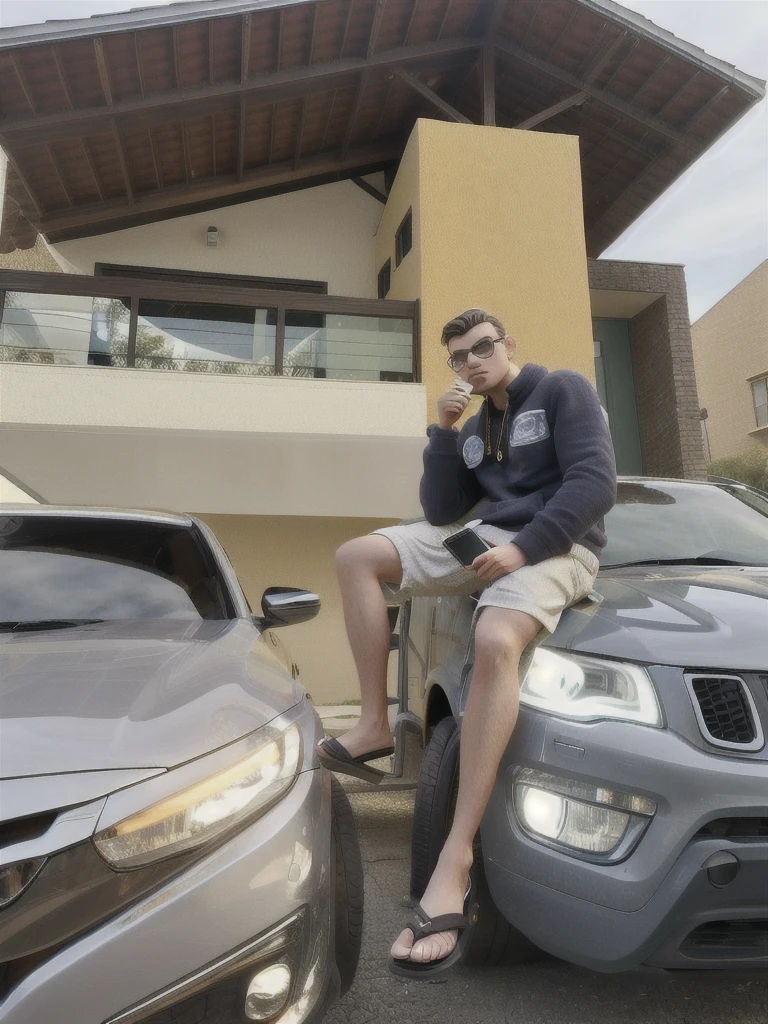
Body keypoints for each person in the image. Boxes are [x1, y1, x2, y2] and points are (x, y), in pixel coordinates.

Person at [318, 308, 617, 977]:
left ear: (509, 344)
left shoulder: (562, 389)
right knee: (356, 556)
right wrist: (443, 434)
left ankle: (455, 860)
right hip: (487, 537)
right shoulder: (477, 424)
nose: (472, 362)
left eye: (482, 348)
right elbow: (441, 511)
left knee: (493, 636)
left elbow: (595, 485)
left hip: (559, 546)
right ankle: (372, 725)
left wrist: (523, 549)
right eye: (459, 356)